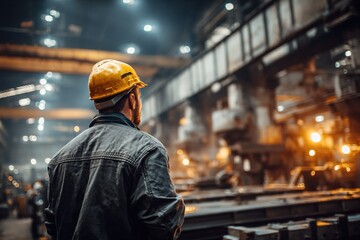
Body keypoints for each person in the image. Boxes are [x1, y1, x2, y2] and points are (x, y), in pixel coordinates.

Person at [44, 59, 185, 240]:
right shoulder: (147, 149)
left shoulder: (59, 159)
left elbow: (52, 225)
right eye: (138, 95)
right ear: (132, 100)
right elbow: (163, 225)